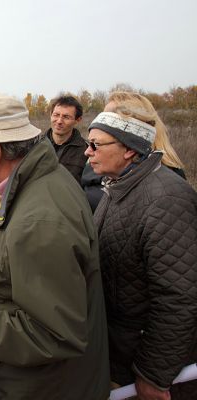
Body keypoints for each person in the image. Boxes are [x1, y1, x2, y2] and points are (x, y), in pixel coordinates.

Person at [0, 94, 110, 399]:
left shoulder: (40, 222)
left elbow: (52, 333)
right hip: (39, 381)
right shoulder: (37, 183)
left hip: (45, 388)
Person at [86, 108, 197, 399]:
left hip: (152, 366)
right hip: (122, 354)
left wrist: (154, 373)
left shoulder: (167, 200)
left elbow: (179, 298)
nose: (87, 152)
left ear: (128, 150)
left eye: (96, 144)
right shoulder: (120, 188)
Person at [81, 91, 187, 212]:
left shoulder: (168, 184)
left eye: (113, 116)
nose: (104, 121)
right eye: (104, 115)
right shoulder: (95, 167)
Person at [44, 95, 87, 183]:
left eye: (66, 117)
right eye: (56, 115)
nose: (59, 121)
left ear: (78, 120)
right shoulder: (34, 146)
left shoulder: (86, 151)